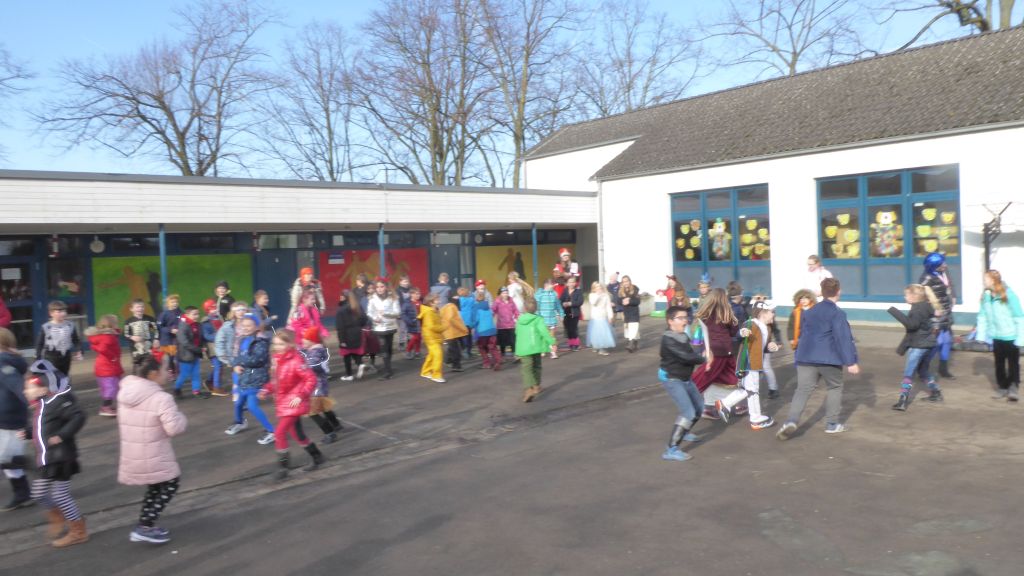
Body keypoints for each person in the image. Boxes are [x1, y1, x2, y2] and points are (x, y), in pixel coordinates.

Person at [777, 277, 860, 440]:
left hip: (805, 356)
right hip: (829, 357)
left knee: (803, 389)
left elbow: (804, 333)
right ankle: (832, 424)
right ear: (839, 292)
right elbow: (843, 338)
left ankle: (791, 421)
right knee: (835, 386)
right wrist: (851, 362)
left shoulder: (809, 312)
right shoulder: (837, 313)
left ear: (821, 292)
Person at [116, 356, 187, 544]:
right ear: (153, 374)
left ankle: (144, 524)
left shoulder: (126, 393)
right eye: (165, 370)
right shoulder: (161, 398)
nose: (168, 373)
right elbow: (174, 428)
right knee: (171, 483)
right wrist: (181, 417)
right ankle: (145, 527)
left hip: (134, 452)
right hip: (155, 453)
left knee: (155, 486)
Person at [24, 360, 88, 547]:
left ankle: (78, 531)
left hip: (62, 458)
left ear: (43, 388)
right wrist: (27, 433)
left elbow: (79, 416)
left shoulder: (58, 401)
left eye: (28, 388)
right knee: (38, 493)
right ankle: (60, 517)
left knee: (60, 495)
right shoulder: (41, 405)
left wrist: (62, 435)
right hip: (48, 459)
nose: (25, 392)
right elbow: (40, 427)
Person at [259, 329, 323, 480]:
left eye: (281, 344)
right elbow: (277, 382)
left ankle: (283, 468)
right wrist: (266, 389)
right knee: (296, 434)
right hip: (283, 402)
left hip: (293, 403)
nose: (277, 347)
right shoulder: (277, 360)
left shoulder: (296, 360)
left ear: (290, 344)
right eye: (275, 344)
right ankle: (317, 456)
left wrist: (301, 396)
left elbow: (311, 379)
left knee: (279, 433)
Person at [714, 301, 777, 430]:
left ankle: (726, 404)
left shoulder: (766, 328)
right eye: (772, 312)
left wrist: (770, 347)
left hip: (755, 364)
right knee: (752, 390)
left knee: (748, 389)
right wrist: (741, 333)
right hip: (749, 363)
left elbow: (762, 348)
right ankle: (754, 418)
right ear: (763, 313)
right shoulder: (752, 323)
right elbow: (741, 333)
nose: (773, 315)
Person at [659, 305, 709, 462]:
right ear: (670, 321)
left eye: (685, 317)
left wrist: (701, 352)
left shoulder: (683, 336)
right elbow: (686, 357)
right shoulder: (668, 340)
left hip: (686, 378)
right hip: (672, 379)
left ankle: (684, 431)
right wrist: (704, 359)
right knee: (688, 412)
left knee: (699, 407)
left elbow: (691, 353)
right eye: (680, 318)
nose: (685, 321)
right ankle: (671, 449)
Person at [887, 284, 943, 411]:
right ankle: (936, 393)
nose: (905, 297)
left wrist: (894, 311)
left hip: (918, 345)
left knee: (908, 374)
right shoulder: (926, 306)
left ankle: (902, 401)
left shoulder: (917, 309)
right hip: (930, 345)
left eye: (906, 295)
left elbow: (911, 325)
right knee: (923, 371)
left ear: (914, 296)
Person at [976, 270, 1024, 401]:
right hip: (996, 337)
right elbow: (982, 316)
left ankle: (1013, 387)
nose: (984, 281)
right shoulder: (986, 297)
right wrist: (981, 335)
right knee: (999, 364)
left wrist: (1021, 338)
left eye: (986, 279)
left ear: (993, 280)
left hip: (1011, 336)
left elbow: (1019, 317)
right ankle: (1002, 387)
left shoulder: (1009, 294)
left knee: (1013, 364)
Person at [228, 316, 276, 445]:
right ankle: (240, 422)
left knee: (252, 406)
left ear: (256, 327)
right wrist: (236, 364)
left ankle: (272, 431)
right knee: (238, 403)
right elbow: (236, 356)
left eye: (249, 325)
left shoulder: (261, 342)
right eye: (243, 325)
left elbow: (256, 360)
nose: (245, 328)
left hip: (257, 378)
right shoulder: (243, 339)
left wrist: (239, 361)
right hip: (245, 377)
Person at [691, 288, 740, 415]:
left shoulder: (705, 314)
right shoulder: (726, 314)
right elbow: (734, 332)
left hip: (711, 350)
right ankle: (690, 393)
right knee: (732, 378)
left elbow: (702, 331)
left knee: (715, 378)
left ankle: (709, 406)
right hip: (723, 351)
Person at [0, 328, 31, 511]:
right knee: (7, 459)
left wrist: (34, 402)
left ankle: (23, 491)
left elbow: (18, 387)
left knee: (6, 458)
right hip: (7, 418)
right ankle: (22, 493)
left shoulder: (4, 364)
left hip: (10, 420)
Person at [300, 327, 344, 444]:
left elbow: (314, 366)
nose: (302, 341)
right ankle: (336, 424)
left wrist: (302, 367)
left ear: (312, 340)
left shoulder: (316, 352)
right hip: (320, 385)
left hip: (316, 386)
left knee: (312, 412)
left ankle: (329, 433)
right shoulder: (315, 350)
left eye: (305, 339)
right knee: (324, 407)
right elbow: (305, 354)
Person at [919, 252, 958, 379]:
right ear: (934, 265)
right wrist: (932, 311)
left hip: (946, 312)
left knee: (946, 341)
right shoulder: (926, 278)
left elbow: (949, 285)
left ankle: (943, 369)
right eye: (942, 263)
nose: (945, 265)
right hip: (935, 315)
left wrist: (953, 297)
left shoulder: (943, 273)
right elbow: (922, 298)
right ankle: (923, 369)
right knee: (937, 342)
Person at [515, 298, 556, 403]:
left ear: (524, 308)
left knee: (527, 369)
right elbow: (544, 332)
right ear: (536, 308)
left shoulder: (519, 320)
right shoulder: (538, 319)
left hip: (524, 349)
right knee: (537, 366)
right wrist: (552, 342)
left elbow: (516, 332)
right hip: (536, 347)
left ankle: (529, 389)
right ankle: (536, 386)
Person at [85, 314, 124, 417]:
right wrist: (112, 357)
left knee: (108, 387)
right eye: (116, 323)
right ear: (111, 325)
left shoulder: (103, 335)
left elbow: (96, 346)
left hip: (105, 366)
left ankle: (108, 406)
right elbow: (103, 349)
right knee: (111, 387)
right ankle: (105, 407)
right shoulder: (108, 337)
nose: (118, 324)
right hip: (108, 366)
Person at [34, 300, 82, 380]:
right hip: (51, 356)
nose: (63, 313)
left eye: (64, 311)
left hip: (66, 356)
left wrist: (79, 350)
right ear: (51, 313)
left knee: (64, 376)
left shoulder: (70, 325)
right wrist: (38, 358)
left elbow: (76, 340)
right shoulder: (46, 327)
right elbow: (40, 344)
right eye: (59, 312)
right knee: (53, 377)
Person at [367, 279, 400, 380]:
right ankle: (388, 371)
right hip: (379, 327)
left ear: (386, 287)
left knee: (389, 348)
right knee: (384, 348)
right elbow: (369, 312)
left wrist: (385, 313)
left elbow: (397, 312)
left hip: (390, 326)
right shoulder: (372, 298)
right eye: (377, 287)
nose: (379, 289)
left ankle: (388, 367)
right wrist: (374, 318)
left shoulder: (393, 297)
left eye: (382, 286)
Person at [215, 301, 248, 398]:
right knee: (237, 375)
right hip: (235, 355)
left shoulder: (251, 324)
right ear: (233, 312)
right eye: (238, 310)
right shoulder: (228, 326)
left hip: (248, 354)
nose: (241, 312)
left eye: (243, 310)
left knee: (248, 375)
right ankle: (237, 395)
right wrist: (224, 358)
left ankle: (246, 394)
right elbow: (219, 341)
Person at [173, 306, 206, 399]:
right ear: (187, 314)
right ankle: (177, 389)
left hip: (195, 354)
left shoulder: (198, 325)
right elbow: (184, 342)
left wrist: (203, 346)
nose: (196, 316)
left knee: (196, 374)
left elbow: (200, 337)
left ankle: (196, 391)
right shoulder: (183, 326)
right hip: (186, 355)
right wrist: (198, 349)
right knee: (184, 374)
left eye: (197, 314)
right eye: (194, 314)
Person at [336, 291, 368, 381]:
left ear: (343, 297)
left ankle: (349, 374)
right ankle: (360, 363)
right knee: (356, 351)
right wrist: (359, 326)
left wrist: (341, 340)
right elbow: (365, 319)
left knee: (346, 355)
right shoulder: (357, 307)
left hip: (346, 334)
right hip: (357, 332)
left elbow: (340, 327)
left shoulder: (341, 310)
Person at [200, 299, 228, 396]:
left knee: (219, 366)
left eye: (215, 307)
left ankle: (209, 382)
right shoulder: (205, 322)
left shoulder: (219, 318)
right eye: (212, 308)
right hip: (212, 348)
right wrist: (218, 336)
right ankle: (216, 387)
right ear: (207, 310)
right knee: (218, 366)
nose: (215, 309)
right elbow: (206, 336)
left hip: (220, 346)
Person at [123, 299, 159, 375]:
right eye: (137, 307)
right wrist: (132, 337)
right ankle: (136, 379)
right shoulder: (128, 321)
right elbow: (125, 334)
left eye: (142, 307)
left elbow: (156, 330)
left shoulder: (149, 319)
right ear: (131, 309)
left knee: (151, 365)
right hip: (135, 348)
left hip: (148, 347)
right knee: (137, 366)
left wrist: (156, 339)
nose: (140, 309)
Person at [418, 294, 446, 383]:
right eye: (437, 300)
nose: (439, 301)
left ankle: (425, 371)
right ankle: (436, 375)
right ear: (431, 302)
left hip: (434, 336)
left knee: (432, 354)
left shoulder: (435, 310)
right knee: (438, 354)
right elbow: (431, 326)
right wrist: (444, 328)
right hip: (430, 337)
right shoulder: (429, 312)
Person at [470, 289, 501, 370]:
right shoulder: (489, 308)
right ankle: (497, 361)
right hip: (492, 330)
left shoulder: (475, 308)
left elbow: (475, 321)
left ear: (476, 298)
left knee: (482, 347)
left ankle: (487, 363)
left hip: (482, 332)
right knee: (493, 347)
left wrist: (471, 326)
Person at [535, 279, 564, 359]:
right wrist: (537, 317)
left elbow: (558, 305)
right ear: (546, 285)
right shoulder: (539, 294)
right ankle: (543, 350)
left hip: (552, 320)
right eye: (552, 284)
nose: (553, 286)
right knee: (543, 336)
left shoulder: (554, 294)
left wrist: (562, 314)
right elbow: (537, 307)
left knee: (552, 337)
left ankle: (553, 352)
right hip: (542, 320)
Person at [440, 295, 469, 372]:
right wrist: (463, 328)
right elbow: (452, 320)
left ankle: (448, 360)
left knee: (452, 348)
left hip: (447, 332)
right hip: (452, 332)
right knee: (456, 350)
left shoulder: (444, 307)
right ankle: (456, 366)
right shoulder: (452, 307)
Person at [586, 282, 616, 355]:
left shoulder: (606, 295)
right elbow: (594, 303)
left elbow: (608, 307)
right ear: (594, 288)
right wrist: (598, 295)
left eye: (600, 287)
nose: (599, 288)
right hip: (595, 317)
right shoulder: (591, 295)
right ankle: (596, 346)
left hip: (603, 317)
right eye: (597, 287)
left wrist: (610, 316)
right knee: (595, 334)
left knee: (603, 333)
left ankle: (602, 349)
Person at [156, 295, 183, 375]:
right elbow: (159, 327)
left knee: (178, 357)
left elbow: (184, 323)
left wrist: (180, 330)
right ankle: (171, 372)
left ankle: (179, 373)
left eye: (176, 302)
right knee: (170, 358)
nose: (175, 303)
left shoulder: (181, 313)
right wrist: (170, 330)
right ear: (168, 304)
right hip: (167, 340)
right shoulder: (164, 314)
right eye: (172, 302)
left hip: (178, 339)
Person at [493, 286, 520, 357]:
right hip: (501, 326)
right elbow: (493, 310)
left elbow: (515, 310)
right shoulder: (497, 301)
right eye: (504, 293)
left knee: (512, 341)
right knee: (502, 342)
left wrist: (518, 317)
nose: (505, 294)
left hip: (511, 325)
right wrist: (489, 318)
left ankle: (515, 354)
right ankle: (503, 354)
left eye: (506, 293)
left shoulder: (511, 300)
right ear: (500, 294)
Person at [560, 276, 584, 351]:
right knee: (568, 329)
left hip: (574, 313)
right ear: (567, 283)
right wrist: (563, 303)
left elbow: (580, 302)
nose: (571, 284)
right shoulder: (565, 291)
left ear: (575, 283)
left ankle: (576, 345)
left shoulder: (578, 291)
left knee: (573, 329)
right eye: (570, 282)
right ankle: (571, 344)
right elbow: (560, 300)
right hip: (566, 313)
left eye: (573, 282)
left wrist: (571, 303)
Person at [618, 275, 641, 352]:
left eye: (627, 281)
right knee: (628, 329)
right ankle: (635, 344)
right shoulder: (621, 291)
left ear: (629, 281)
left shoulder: (635, 289)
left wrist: (629, 301)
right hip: (626, 313)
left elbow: (638, 301)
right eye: (624, 282)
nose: (625, 283)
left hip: (634, 312)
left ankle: (631, 345)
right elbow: (618, 300)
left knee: (633, 327)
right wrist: (622, 301)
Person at [401, 288, 423, 360]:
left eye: (419, 294)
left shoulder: (420, 302)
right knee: (414, 338)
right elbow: (403, 314)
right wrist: (409, 321)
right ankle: (408, 351)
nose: (418, 295)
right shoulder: (407, 303)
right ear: (411, 294)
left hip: (419, 323)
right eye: (416, 294)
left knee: (419, 338)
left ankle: (417, 352)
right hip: (412, 323)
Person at [457, 287, 475, 359]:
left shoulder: (459, 301)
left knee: (462, 337)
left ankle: (464, 351)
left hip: (461, 321)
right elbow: (474, 310)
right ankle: (469, 351)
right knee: (469, 337)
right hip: (469, 321)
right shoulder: (471, 300)